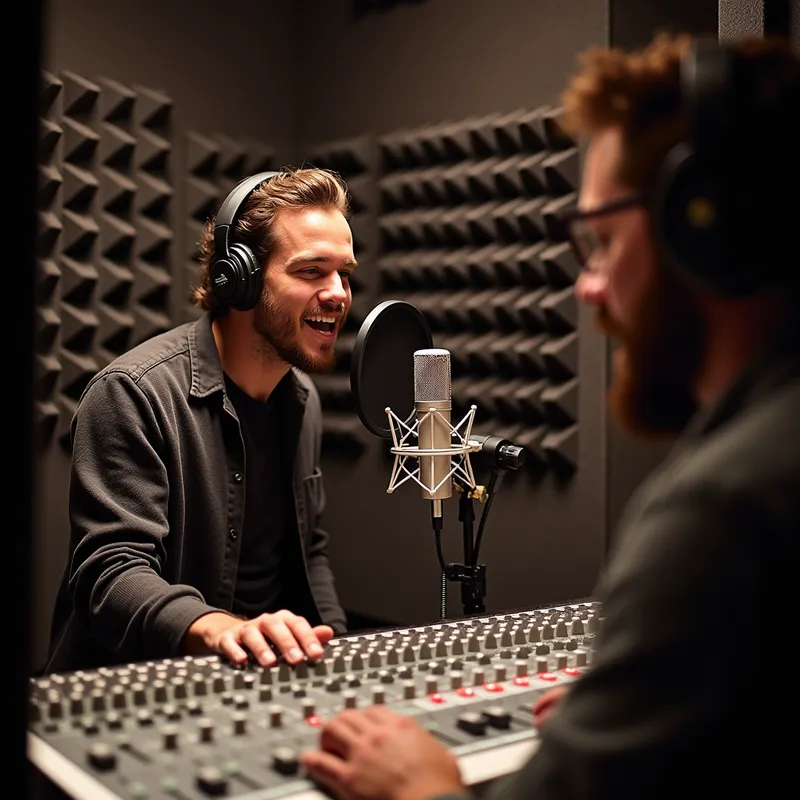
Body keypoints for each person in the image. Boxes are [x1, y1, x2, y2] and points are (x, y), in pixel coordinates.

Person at [300, 33, 800, 800]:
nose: (587, 288)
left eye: (602, 241)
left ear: (703, 225)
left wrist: (417, 787)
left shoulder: (725, 508)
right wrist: (635, 721)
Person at [46, 167, 356, 674]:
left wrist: (339, 657)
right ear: (239, 279)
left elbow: (310, 551)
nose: (339, 292)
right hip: (140, 688)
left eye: (344, 273)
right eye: (311, 271)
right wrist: (221, 629)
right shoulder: (132, 393)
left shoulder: (303, 401)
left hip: (253, 678)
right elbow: (111, 574)